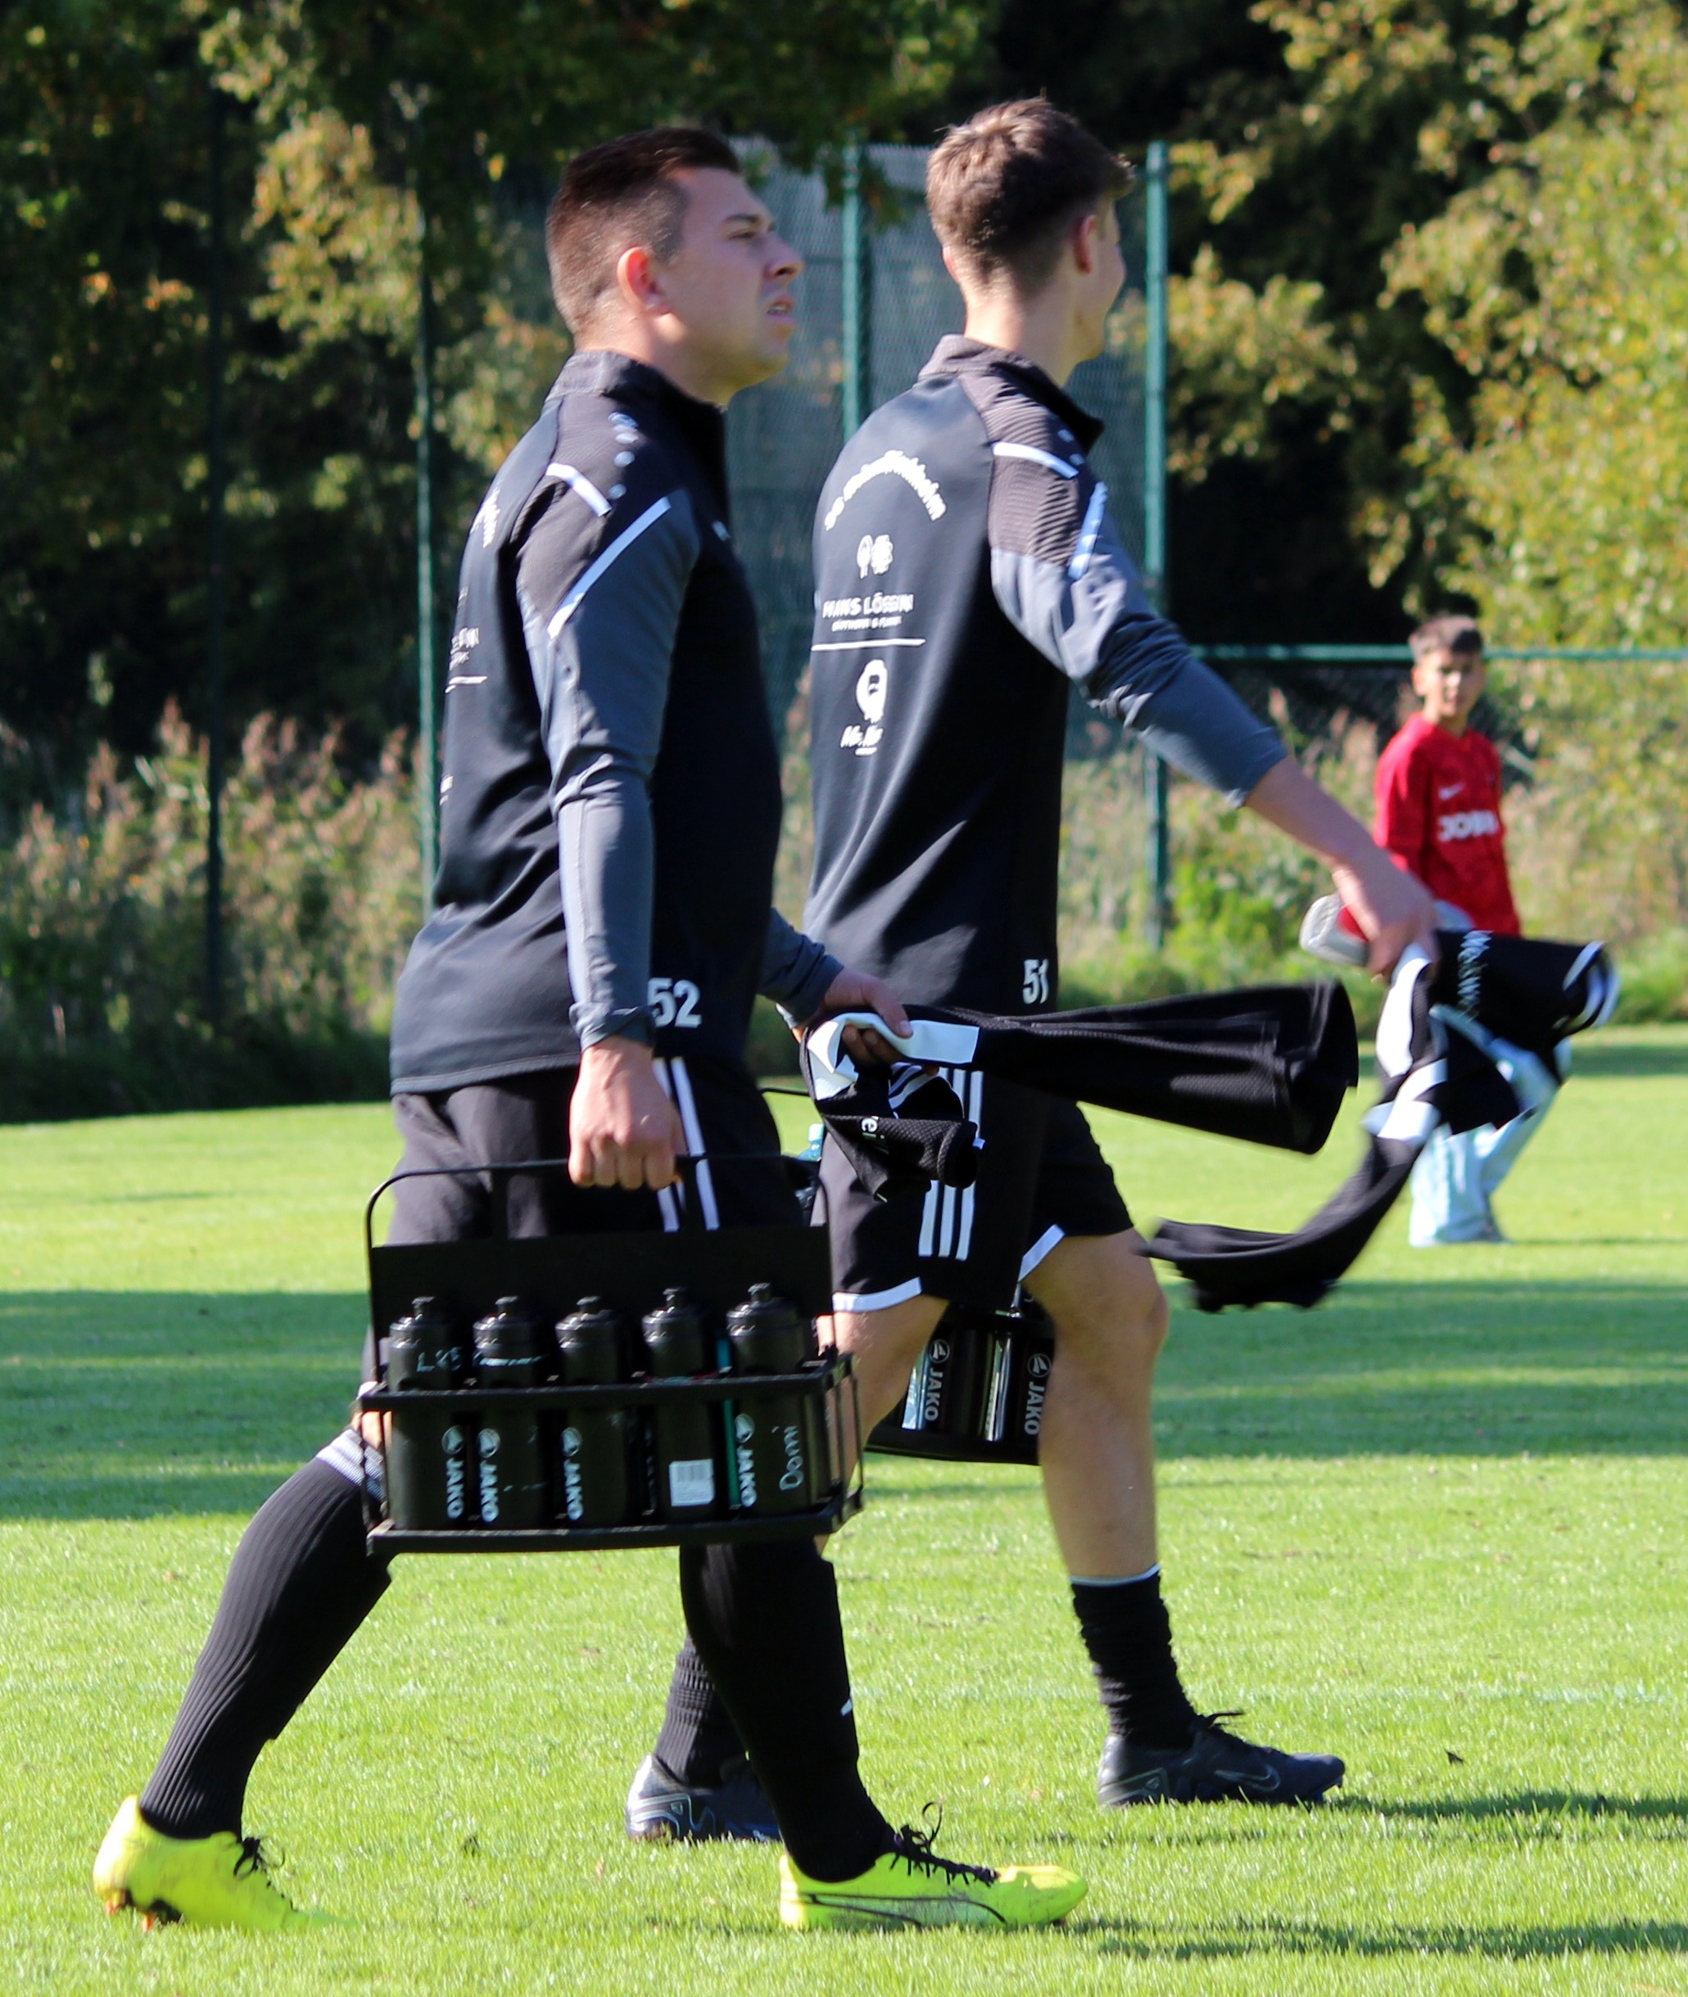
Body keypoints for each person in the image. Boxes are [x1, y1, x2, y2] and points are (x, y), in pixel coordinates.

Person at [92, 127, 1084, 1937]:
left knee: (408, 1427)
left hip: (494, 1027)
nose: (784, 258)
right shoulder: (624, 468)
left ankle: (179, 1823)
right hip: (594, 1044)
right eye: (741, 232)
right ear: (641, 277)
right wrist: (624, 1033)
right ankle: (842, 1858)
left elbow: (629, 808)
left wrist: (795, 969)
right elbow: (598, 772)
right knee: (757, 1409)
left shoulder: (590, 458)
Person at [634, 98, 1436, 1832]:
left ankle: (1152, 1732)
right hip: (933, 1019)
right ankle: (695, 1759)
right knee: (854, 1368)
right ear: (1090, 245)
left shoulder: (878, 447)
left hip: (961, 1004)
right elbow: (1125, 653)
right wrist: (1359, 856)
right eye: (1118, 233)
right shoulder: (1019, 452)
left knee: (1111, 1310)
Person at [1375, 615, 1559, 1245]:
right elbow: (1395, 861)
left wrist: (1514, 944)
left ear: (1482, 676)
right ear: (1420, 677)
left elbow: (1488, 860)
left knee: (1548, 1065)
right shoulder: (1409, 755)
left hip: (1496, 949)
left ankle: (1462, 1204)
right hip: (1443, 953)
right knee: (1461, 1078)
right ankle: (1451, 1220)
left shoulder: (1481, 754)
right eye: (1444, 671)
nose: (1455, 683)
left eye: (1467, 670)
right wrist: (1417, 942)